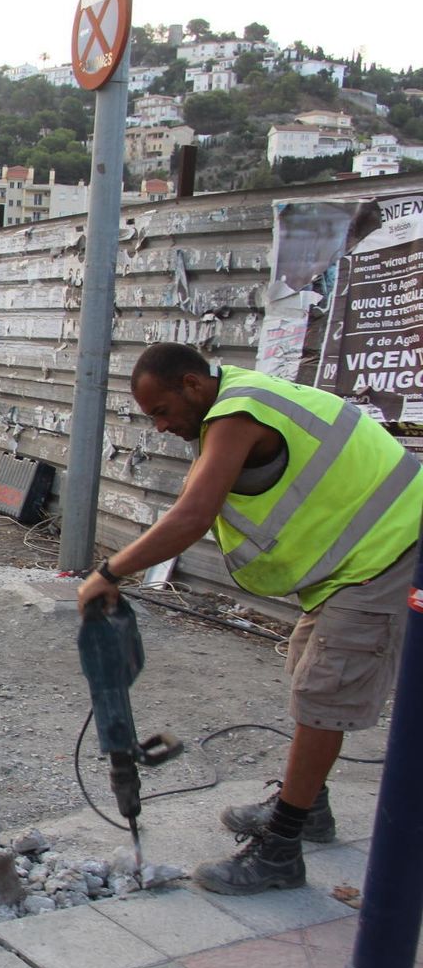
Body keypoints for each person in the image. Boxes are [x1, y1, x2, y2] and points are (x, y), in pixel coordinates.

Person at [78, 342, 421, 895]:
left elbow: (193, 513)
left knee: (323, 693)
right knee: (308, 669)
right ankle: (308, 808)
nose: (161, 427)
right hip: (361, 560)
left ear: (192, 385)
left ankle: (282, 851)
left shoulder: (238, 414)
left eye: (162, 411)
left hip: (392, 552)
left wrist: (109, 572)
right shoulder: (232, 404)